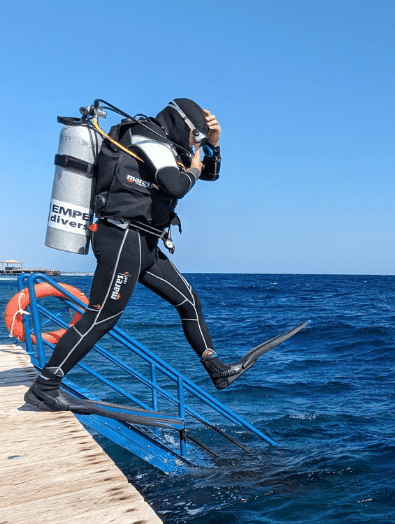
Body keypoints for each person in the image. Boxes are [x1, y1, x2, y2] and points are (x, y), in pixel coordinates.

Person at [25, 98, 258, 412]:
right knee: (102, 315)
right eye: (197, 136)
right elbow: (176, 185)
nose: (195, 143)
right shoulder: (146, 136)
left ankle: (217, 371)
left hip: (144, 243)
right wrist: (193, 168)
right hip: (121, 238)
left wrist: (214, 145)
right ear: (180, 124)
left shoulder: (165, 146)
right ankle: (45, 386)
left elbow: (209, 175)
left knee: (188, 300)